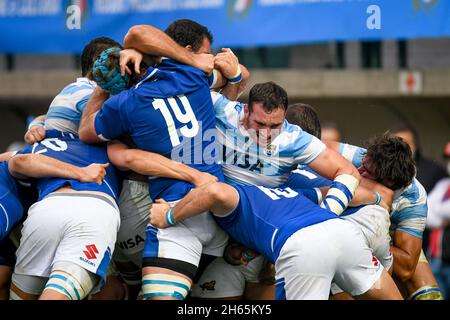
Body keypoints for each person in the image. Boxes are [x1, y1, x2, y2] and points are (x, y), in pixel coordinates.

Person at [78, 24, 231, 301]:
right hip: (221, 212)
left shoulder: (122, 104)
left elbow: (85, 131)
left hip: (174, 213)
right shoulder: (190, 72)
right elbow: (236, 75)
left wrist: (102, 89)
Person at [148, 181, 403, 300]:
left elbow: (214, 191)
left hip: (303, 248)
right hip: (343, 232)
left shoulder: (239, 195)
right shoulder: (289, 192)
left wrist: (168, 215)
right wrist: (379, 200)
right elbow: (349, 192)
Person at [426, 141, 450, 299]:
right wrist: (442, 220)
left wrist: (438, 211)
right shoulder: (443, 185)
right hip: (435, 258)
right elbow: (425, 213)